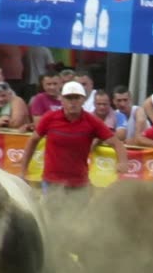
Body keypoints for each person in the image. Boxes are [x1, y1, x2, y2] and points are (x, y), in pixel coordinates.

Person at [20, 80, 127, 219]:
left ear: (83, 100)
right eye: (69, 98)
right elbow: (33, 140)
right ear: (61, 99)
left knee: (77, 222)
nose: (73, 102)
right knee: (51, 220)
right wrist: (23, 170)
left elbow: (116, 143)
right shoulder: (50, 118)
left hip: (79, 184)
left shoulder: (92, 121)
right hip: (52, 182)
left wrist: (123, 161)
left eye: (76, 98)